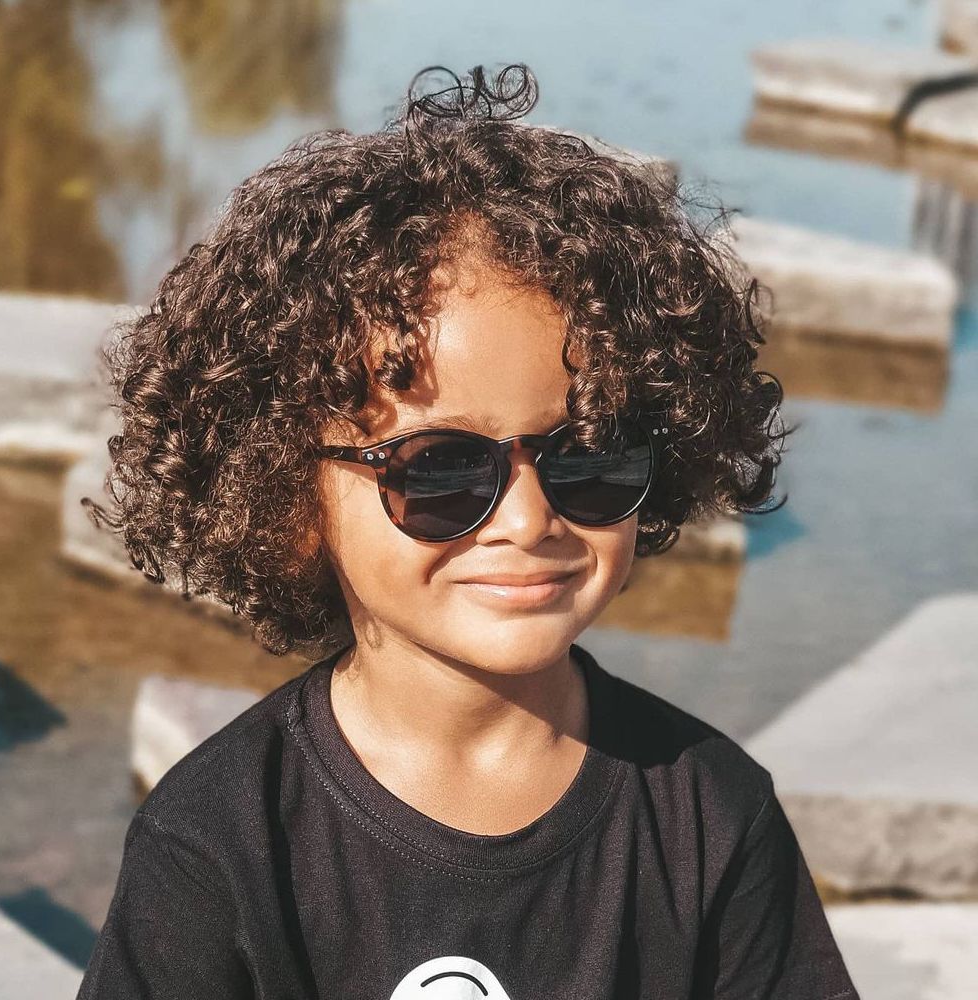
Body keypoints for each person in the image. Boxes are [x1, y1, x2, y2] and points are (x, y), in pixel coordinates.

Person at [76, 63, 860, 1000]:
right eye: (441, 472)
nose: (529, 519)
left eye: (590, 454)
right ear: (288, 497)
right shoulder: (219, 839)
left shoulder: (708, 815)